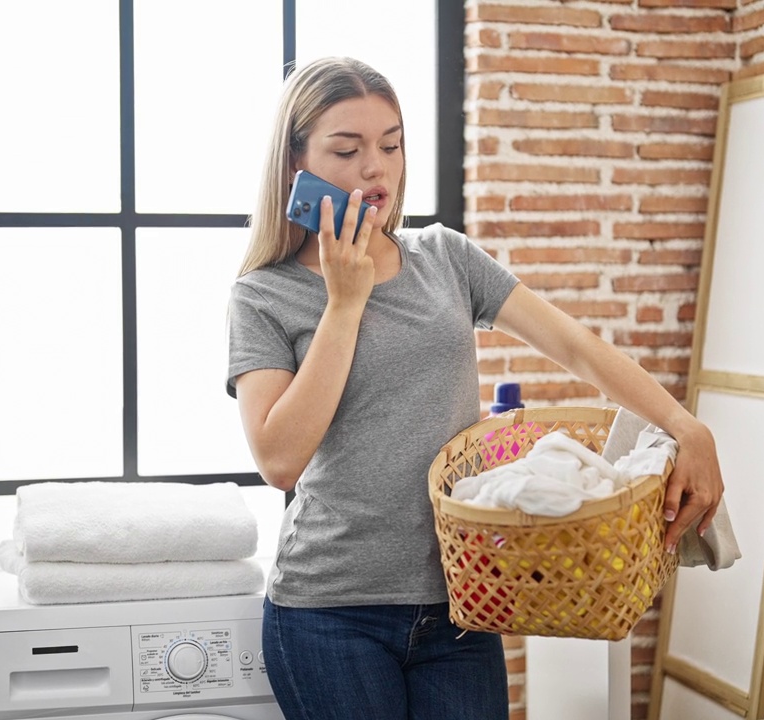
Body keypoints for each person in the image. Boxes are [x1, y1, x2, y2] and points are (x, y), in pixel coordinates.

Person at [226, 56, 724, 720]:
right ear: (298, 169)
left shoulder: (445, 260)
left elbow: (574, 345)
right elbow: (279, 459)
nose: (376, 167)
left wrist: (685, 425)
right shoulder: (264, 296)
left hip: (460, 611)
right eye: (347, 150)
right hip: (328, 615)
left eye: (391, 144)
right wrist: (344, 305)